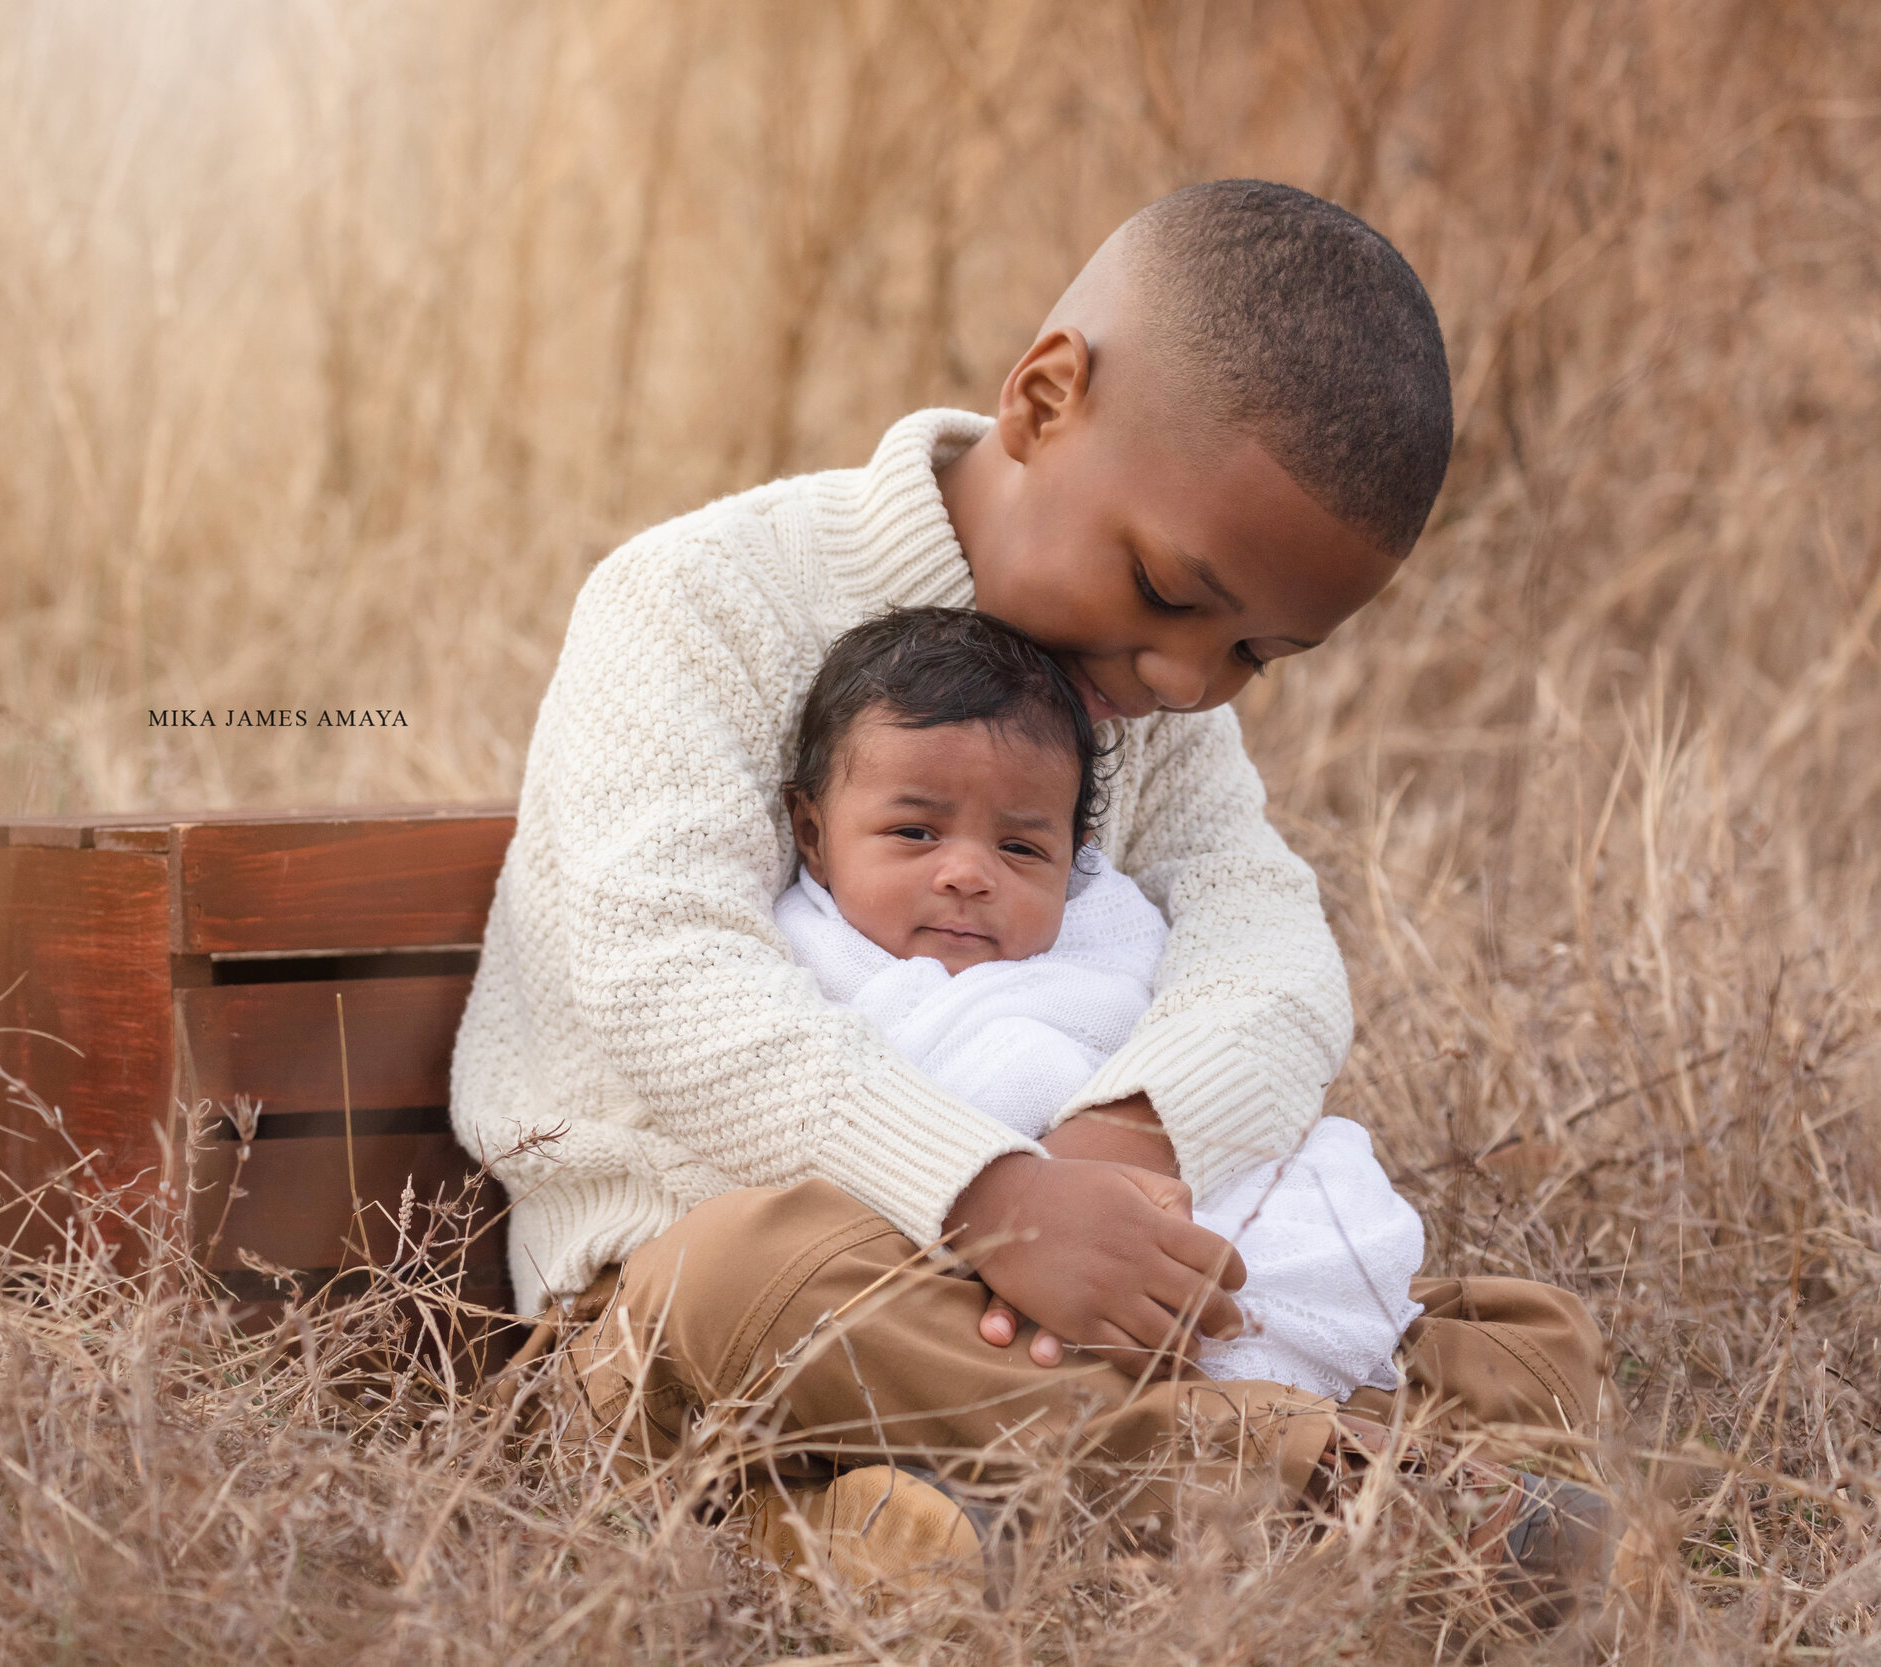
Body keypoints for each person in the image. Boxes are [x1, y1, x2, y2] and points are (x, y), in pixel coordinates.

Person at [451, 179, 1610, 1613]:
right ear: (1047, 396)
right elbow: (663, 972)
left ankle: (910, 1529)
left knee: (1519, 1331)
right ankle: (1336, 1495)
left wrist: (1124, 1148)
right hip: (696, 1320)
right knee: (747, 1267)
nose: (1188, 679)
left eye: (1259, 652)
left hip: (1039, 1309)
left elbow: (1269, 947)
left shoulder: (1145, 704)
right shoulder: (697, 599)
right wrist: (990, 1197)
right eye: (1170, 591)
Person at [772, 605, 1425, 1406]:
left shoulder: (1106, 939)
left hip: (1127, 1238)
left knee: (1338, 1213)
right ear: (812, 831)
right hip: (933, 1248)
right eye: (914, 832)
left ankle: (1253, 1392)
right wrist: (1000, 1215)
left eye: (1021, 848)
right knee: (787, 1286)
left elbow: (1178, 1059)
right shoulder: (796, 954)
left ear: (1077, 856)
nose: (968, 872)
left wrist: (1111, 1215)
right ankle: (1264, 1440)